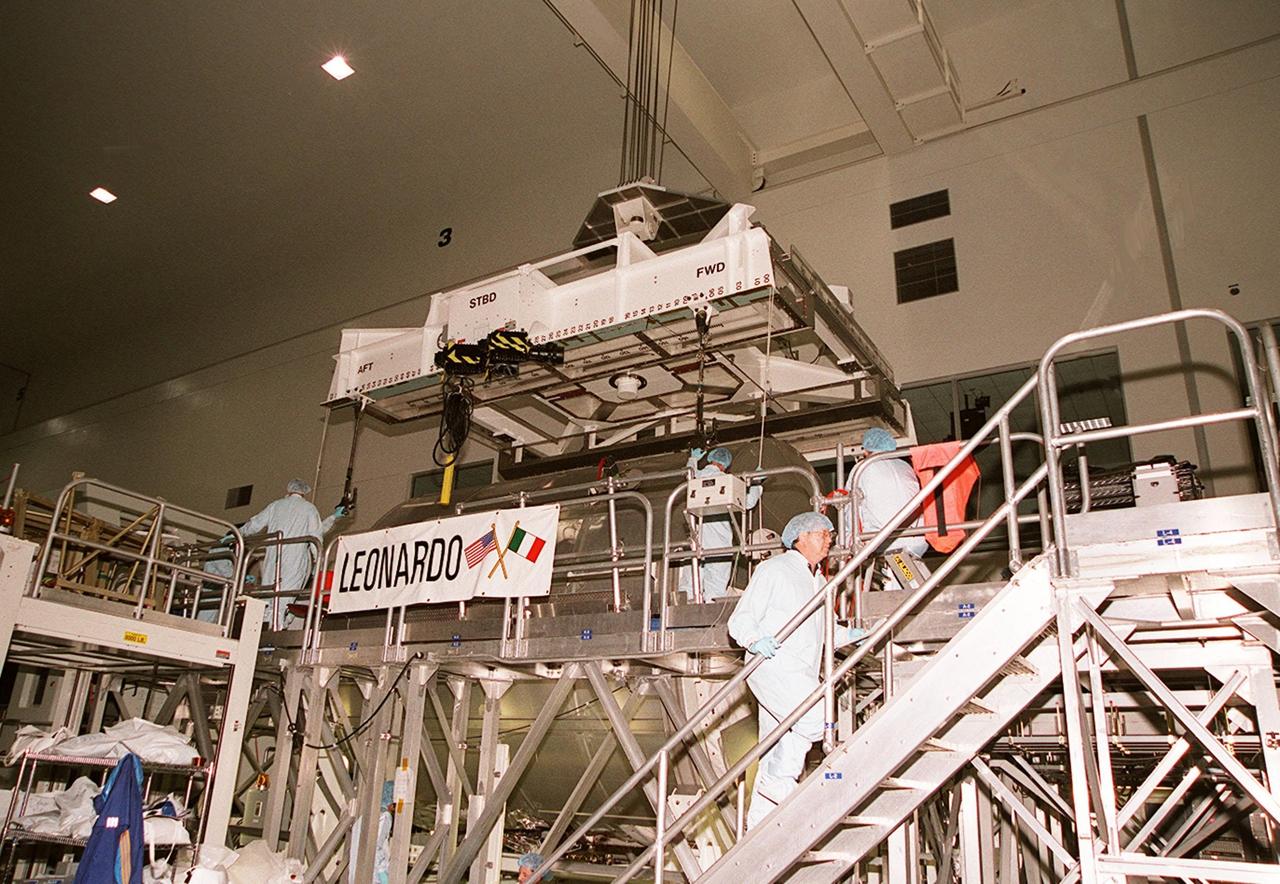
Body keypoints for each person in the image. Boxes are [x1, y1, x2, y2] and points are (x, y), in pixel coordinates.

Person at [727, 511, 866, 829]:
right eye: (822, 534)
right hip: (773, 664)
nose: (828, 541)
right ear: (799, 538)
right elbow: (741, 618)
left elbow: (828, 633)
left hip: (800, 671)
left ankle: (759, 826)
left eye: (830, 536)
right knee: (816, 718)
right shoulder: (773, 569)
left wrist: (853, 635)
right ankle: (776, 787)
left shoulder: (819, 581)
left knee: (776, 742)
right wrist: (754, 640)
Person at [239, 479, 346, 629]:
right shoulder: (309, 509)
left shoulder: (275, 506)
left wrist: (236, 533)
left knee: (268, 600)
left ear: (288, 491)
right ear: (304, 492)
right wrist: (318, 563)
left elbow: (254, 524)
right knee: (283, 601)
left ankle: (260, 633)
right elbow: (315, 536)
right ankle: (272, 638)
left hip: (273, 558)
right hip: (295, 561)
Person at [678, 447, 763, 601]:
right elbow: (748, 502)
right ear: (726, 465)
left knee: (689, 584)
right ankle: (711, 617)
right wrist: (756, 483)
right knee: (716, 587)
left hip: (697, 539)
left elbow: (688, 473)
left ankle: (683, 613)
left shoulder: (696, 476)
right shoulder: (729, 482)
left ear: (710, 458)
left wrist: (692, 459)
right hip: (720, 541)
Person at [846, 427, 928, 558]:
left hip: (885, 542)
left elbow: (849, 507)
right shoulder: (906, 467)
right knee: (905, 576)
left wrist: (849, 541)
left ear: (866, 450)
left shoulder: (862, 467)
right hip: (918, 541)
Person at [348, 781, 394, 884]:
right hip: (372, 877)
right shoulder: (384, 817)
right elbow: (377, 848)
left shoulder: (364, 818)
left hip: (355, 876)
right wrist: (383, 876)